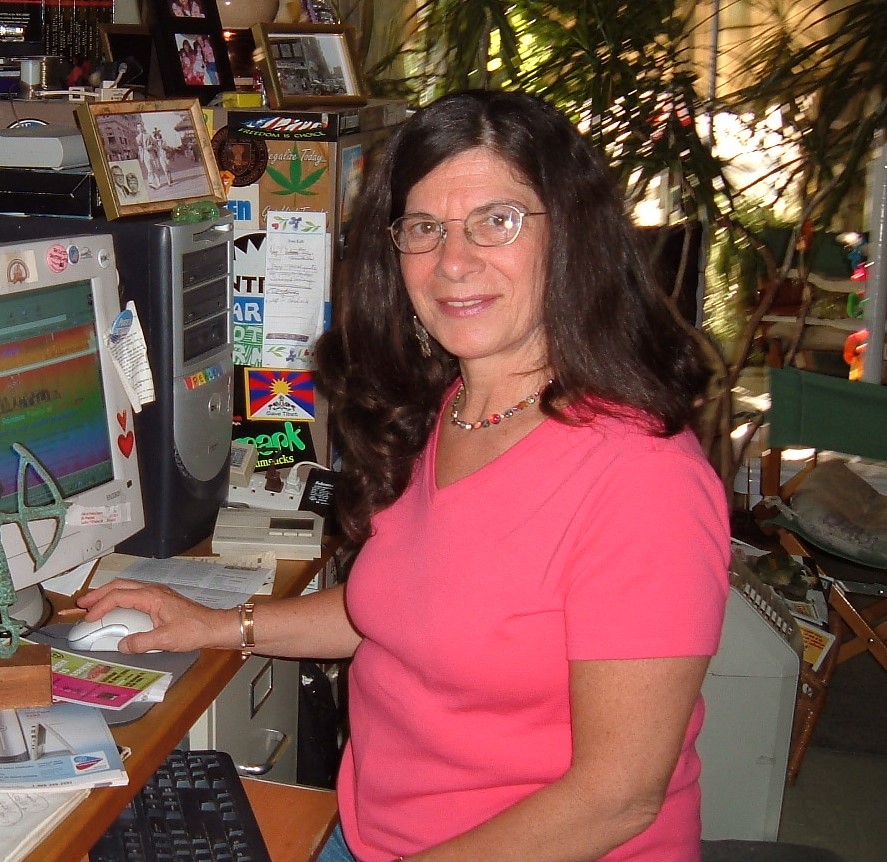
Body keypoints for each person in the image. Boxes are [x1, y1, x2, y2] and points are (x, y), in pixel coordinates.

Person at [79, 90, 730, 862]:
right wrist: (221, 624)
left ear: (572, 236)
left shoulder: (642, 481)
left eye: (496, 220)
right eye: (424, 228)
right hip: (374, 834)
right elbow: (403, 613)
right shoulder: (454, 406)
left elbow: (615, 797)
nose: (453, 262)